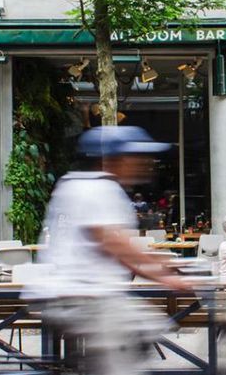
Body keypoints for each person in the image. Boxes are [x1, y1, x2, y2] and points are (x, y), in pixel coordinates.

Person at [27, 126, 188, 375]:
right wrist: (165, 275)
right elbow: (113, 243)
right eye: (137, 158)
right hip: (86, 296)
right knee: (129, 353)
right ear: (114, 160)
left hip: (67, 293)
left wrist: (161, 271)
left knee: (144, 326)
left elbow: (118, 250)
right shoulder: (101, 189)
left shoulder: (73, 183)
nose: (145, 164)